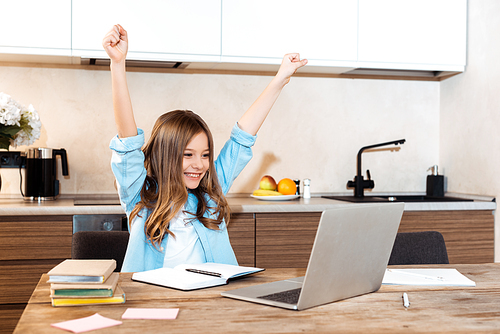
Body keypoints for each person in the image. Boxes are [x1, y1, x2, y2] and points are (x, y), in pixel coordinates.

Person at [103, 24, 307, 272]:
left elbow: (242, 137)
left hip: (209, 300)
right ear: (166, 156)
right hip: (152, 304)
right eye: (188, 155)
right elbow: (127, 141)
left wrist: (280, 78)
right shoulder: (140, 195)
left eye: (205, 155)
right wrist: (117, 64)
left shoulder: (210, 193)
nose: (199, 164)